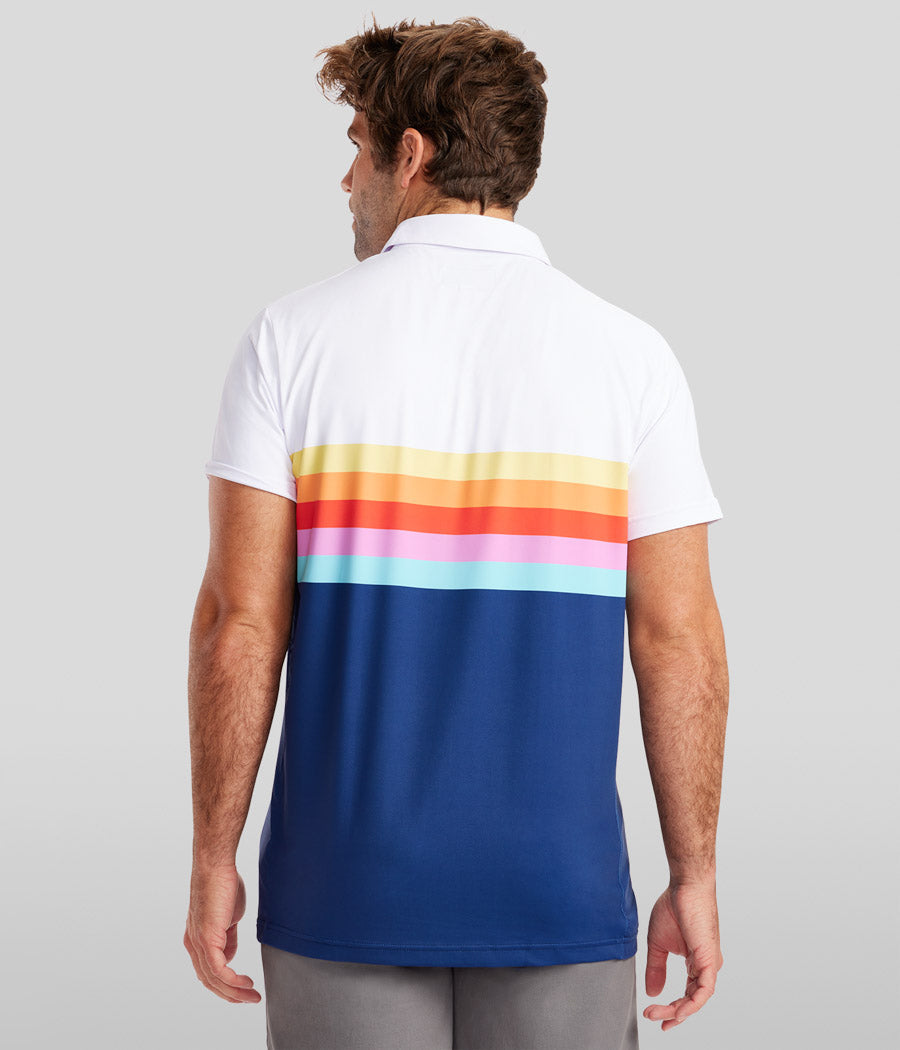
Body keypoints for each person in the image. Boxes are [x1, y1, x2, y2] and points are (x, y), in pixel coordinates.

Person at [184, 15, 728, 1050]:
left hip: (345, 885)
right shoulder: (631, 357)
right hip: (558, 889)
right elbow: (679, 639)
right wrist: (693, 872)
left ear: (411, 154)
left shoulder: (290, 341)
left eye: (356, 146)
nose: (346, 179)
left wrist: (214, 855)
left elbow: (239, 625)